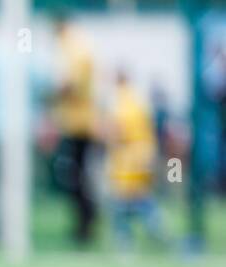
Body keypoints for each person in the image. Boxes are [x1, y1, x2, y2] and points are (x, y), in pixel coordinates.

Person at [52, 14, 100, 246]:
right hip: (76, 122)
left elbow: (69, 85)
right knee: (75, 175)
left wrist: (50, 94)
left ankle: (87, 220)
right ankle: (85, 220)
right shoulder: (73, 46)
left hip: (79, 124)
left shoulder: (75, 47)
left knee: (72, 175)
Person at [106, 70, 167, 252]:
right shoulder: (139, 99)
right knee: (141, 196)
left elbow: (117, 130)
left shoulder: (118, 102)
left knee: (121, 201)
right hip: (143, 153)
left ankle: (126, 240)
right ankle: (156, 227)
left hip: (126, 157)